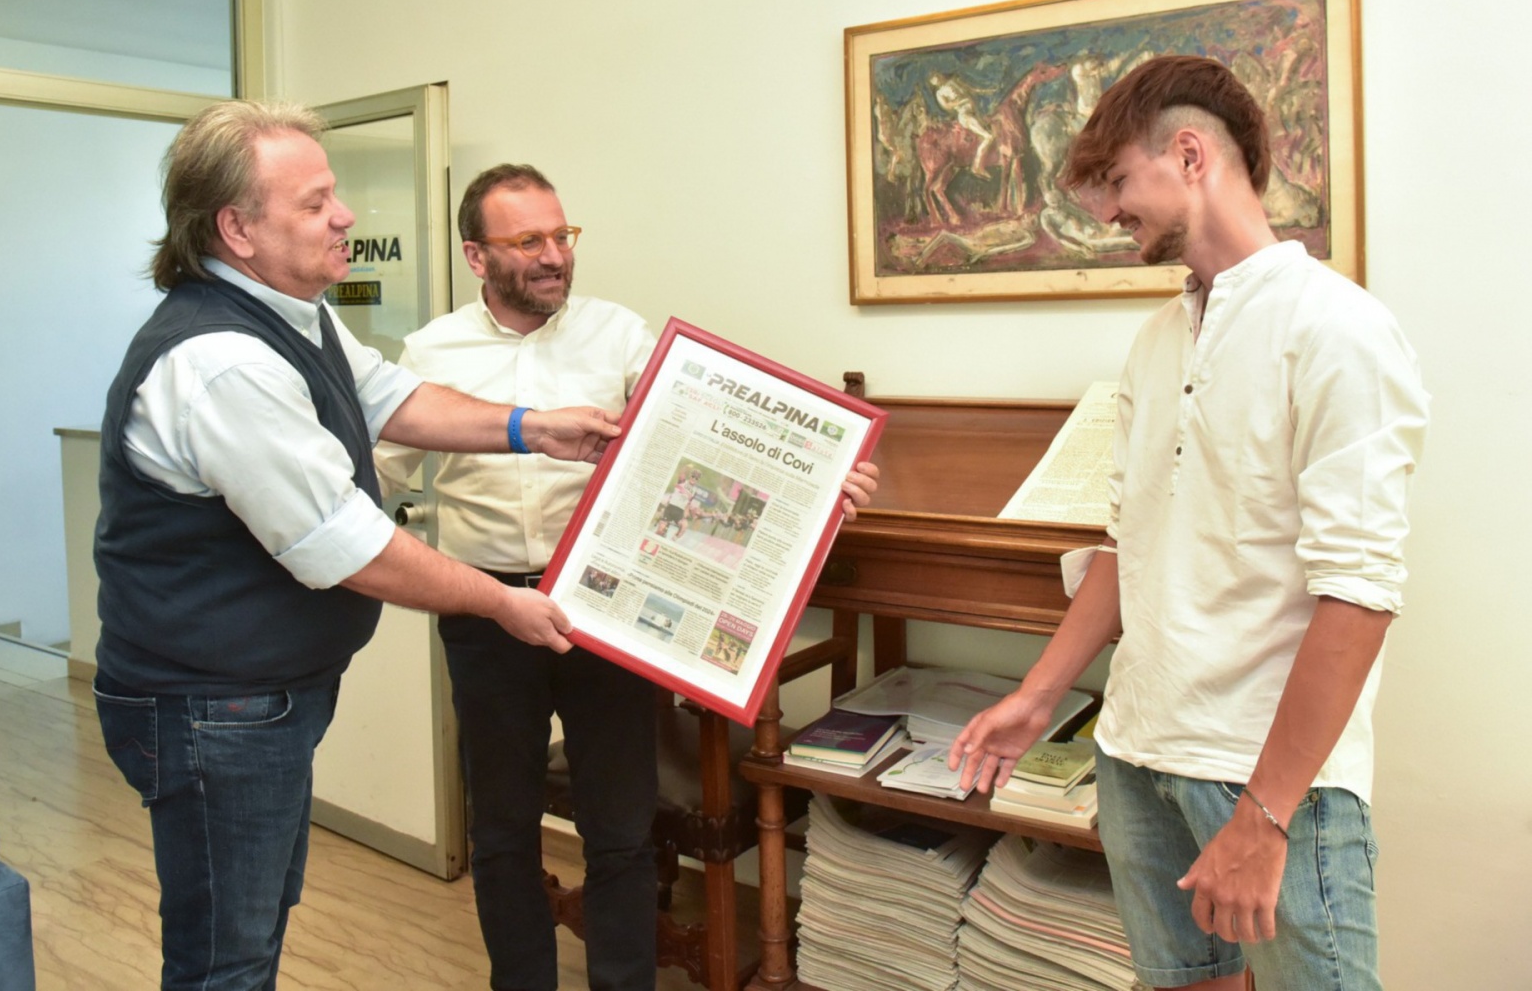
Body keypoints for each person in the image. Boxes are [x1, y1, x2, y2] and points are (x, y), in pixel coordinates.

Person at [92, 104, 620, 991]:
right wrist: (500, 600)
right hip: (210, 706)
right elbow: (344, 545)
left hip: (261, 694)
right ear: (237, 228)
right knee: (227, 956)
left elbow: (399, 401)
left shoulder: (299, 315)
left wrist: (535, 427)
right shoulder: (224, 361)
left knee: (253, 927)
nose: (345, 216)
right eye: (315, 202)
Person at [947, 56, 1427, 991]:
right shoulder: (1158, 339)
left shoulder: (1339, 331)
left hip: (1271, 776)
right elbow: (1132, 545)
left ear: (1192, 154)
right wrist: (1040, 697)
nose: (1105, 214)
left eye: (1120, 182)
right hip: (1137, 751)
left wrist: (1265, 814)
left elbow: (1359, 595)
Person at [375, 163, 878, 991]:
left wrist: (822, 483)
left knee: (620, 827)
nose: (553, 256)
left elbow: (715, 438)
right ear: (476, 256)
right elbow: (381, 473)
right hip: (487, 611)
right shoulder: (431, 352)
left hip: (603, 612)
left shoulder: (619, 336)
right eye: (527, 240)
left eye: (561, 236)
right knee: (501, 829)